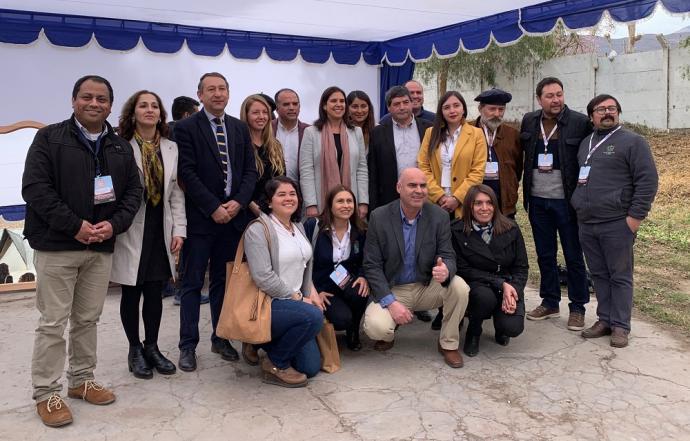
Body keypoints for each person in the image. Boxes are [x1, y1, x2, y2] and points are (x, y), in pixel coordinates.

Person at [22, 75, 142, 427]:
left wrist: (113, 225)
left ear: (110, 104)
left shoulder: (119, 146)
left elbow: (133, 193)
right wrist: (74, 225)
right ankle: (46, 393)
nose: (94, 103)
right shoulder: (49, 138)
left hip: (100, 246)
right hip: (58, 245)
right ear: (74, 100)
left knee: (88, 319)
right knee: (53, 323)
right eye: (87, 97)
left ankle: (81, 380)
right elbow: (35, 188)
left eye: (102, 99)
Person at [175, 72, 258, 372]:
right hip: (201, 220)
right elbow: (186, 172)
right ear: (200, 94)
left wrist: (237, 203)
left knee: (225, 283)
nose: (218, 94)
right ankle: (187, 346)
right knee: (192, 284)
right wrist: (213, 207)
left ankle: (220, 337)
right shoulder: (184, 128)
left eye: (222, 88)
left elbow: (250, 171)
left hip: (233, 220)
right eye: (211, 89)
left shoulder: (238, 127)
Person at [572, 94, 658, 348]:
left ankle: (621, 325)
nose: (607, 112)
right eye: (601, 109)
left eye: (612, 108)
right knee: (599, 273)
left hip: (617, 222)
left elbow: (648, 181)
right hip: (587, 222)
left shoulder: (633, 142)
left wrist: (634, 218)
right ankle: (605, 319)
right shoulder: (586, 143)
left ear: (618, 113)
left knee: (620, 275)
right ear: (592, 116)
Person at [111, 90, 186, 379]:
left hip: (160, 227)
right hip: (131, 228)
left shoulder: (170, 147)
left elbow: (176, 194)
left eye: (155, 106)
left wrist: (180, 229)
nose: (150, 110)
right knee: (132, 291)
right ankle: (134, 349)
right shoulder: (119, 146)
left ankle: (152, 346)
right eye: (143, 105)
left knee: (155, 292)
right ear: (133, 112)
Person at [362, 168, 470, 368]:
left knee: (460, 287)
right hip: (394, 289)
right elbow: (371, 265)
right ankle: (389, 334)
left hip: (426, 286)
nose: (418, 190)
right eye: (412, 185)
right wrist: (391, 303)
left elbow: (448, 255)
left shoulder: (439, 216)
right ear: (399, 188)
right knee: (376, 328)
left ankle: (448, 343)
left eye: (423, 185)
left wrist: (446, 269)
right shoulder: (380, 217)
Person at [520, 77, 592, 331]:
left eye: (559, 94)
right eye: (549, 95)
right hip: (538, 201)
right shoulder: (530, 121)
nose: (556, 100)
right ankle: (550, 302)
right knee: (545, 254)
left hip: (567, 203)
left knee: (573, 255)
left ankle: (578, 307)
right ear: (539, 99)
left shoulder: (580, 123)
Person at [243, 177, 325, 387]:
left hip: (294, 303)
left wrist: (311, 291)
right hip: (269, 303)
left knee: (310, 367)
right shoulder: (258, 229)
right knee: (313, 316)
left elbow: (304, 264)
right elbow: (263, 276)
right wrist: (297, 297)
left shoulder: (298, 226)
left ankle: (265, 341)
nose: (289, 198)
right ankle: (275, 363)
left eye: (292, 194)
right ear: (269, 201)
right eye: (281, 194)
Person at [451, 185, 528, 357]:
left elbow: (521, 267)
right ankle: (474, 330)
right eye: (478, 203)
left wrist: (514, 290)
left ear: (495, 205)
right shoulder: (457, 230)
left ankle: (501, 327)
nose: (484, 208)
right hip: (478, 283)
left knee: (512, 328)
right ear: (469, 206)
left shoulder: (511, 228)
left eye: (489, 203)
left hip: (508, 283)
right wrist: (500, 284)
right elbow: (463, 269)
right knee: (484, 298)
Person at [304, 185, 369, 351]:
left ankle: (354, 331)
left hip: (346, 280)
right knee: (342, 319)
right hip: (322, 286)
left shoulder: (360, 229)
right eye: (340, 201)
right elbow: (301, 262)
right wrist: (314, 291)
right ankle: (324, 325)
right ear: (330, 205)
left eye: (349, 201)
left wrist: (362, 275)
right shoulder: (314, 227)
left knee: (361, 291)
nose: (346, 205)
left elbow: (365, 259)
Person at [299, 86, 369, 219]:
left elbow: (361, 169)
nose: (339, 104)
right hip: (321, 201)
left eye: (342, 101)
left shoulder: (356, 132)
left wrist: (363, 202)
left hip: (350, 201)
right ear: (324, 106)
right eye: (333, 101)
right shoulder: (311, 132)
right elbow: (306, 170)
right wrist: (311, 204)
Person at [417, 90, 487, 219]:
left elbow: (477, 172)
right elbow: (423, 166)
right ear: (441, 112)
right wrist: (439, 196)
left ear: (463, 109)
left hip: (464, 203)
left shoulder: (477, 134)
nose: (452, 110)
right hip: (435, 202)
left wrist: (457, 198)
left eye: (456, 105)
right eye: (446, 107)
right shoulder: (431, 133)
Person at [368, 85, 432, 212]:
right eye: (396, 104)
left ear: (411, 104)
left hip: (424, 195)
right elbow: (373, 172)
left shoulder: (428, 129)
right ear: (388, 108)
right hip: (390, 198)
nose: (402, 107)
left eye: (406, 102)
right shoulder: (378, 132)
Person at [470, 88, 523, 218]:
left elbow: (517, 168)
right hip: (474, 201)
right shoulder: (467, 132)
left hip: (504, 203)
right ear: (480, 109)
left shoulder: (513, 135)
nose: (497, 114)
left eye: (501, 109)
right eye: (492, 109)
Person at [240, 94, 286, 211]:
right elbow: (236, 182)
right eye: (256, 113)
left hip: (274, 209)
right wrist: (251, 205)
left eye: (265, 112)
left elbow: (282, 179)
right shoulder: (238, 145)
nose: (261, 116)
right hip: (247, 210)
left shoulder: (275, 146)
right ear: (246, 115)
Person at [272, 88, 310, 181]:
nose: (292, 107)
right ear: (277, 108)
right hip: (271, 190)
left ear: (299, 107)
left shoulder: (309, 131)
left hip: (300, 191)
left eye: (295, 104)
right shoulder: (267, 129)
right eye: (286, 104)